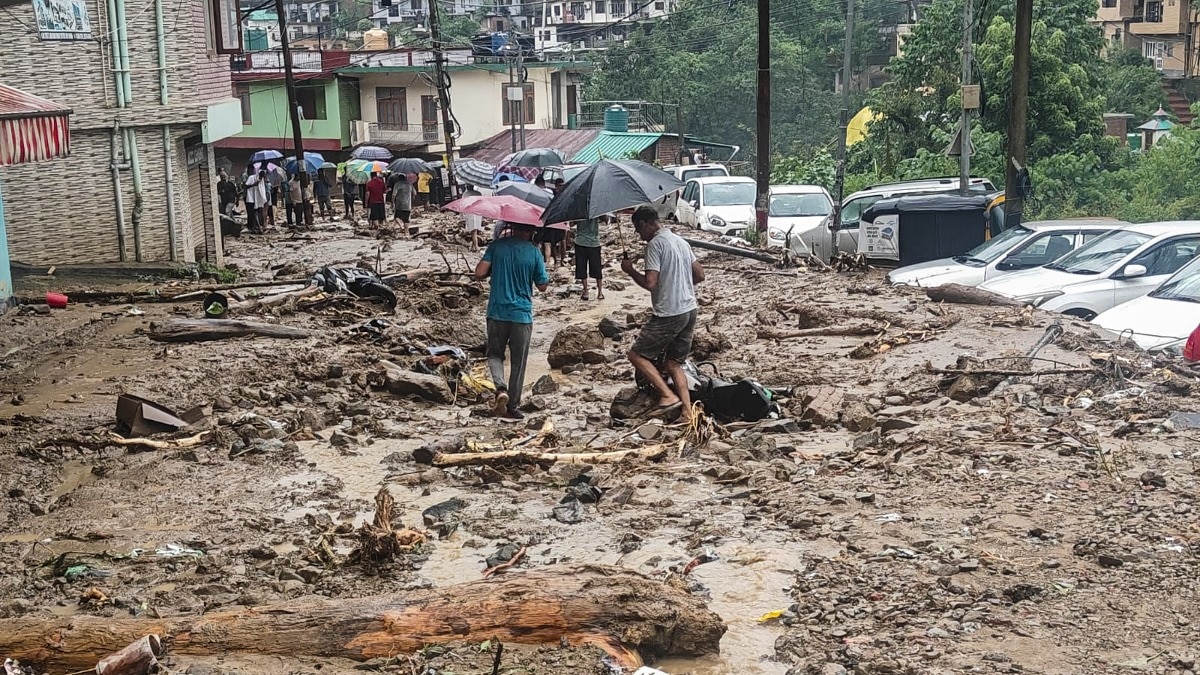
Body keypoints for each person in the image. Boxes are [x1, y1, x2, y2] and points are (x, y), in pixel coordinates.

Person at [621, 206, 705, 421]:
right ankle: (687, 412)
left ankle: (668, 395)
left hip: (669, 312)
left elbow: (650, 283)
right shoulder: (680, 241)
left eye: (638, 231)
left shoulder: (655, 245)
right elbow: (699, 275)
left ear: (643, 224)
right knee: (673, 363)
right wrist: (678, 283)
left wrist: (630, 271)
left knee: (636, 355)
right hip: (689, 308)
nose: (639, 236)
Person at [474, 223, 550, 421]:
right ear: (531, 231)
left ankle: (500, 388)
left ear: (512, 227)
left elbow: (479, 273)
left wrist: (495, 269)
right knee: (519, 362)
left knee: (495, 355)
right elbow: (542, 286)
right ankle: (512, 407)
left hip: (497, 311)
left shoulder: (497, 246)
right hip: (521, 315)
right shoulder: (534, 252)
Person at [574, 215, 605, 301]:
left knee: (581, 267)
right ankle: (600, 292)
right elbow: (605, 220)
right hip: (594, 243)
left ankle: (586, 291)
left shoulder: (578, 209)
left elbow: (571, 223)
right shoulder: (596, 208)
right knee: (597, 268)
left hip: (580, 242)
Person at [244, 163, 269, 234]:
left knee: (257, 213)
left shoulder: (261, 181)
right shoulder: (252, 178)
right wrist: (254, 184)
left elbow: (262, 190)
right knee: (252, 214)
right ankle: (253, 228)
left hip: (257, 200)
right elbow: (246, 186)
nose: (261, 178)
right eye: (261, 177)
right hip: (251, 198)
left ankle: (256, 227)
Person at [461, 183, 484, 251]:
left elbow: (463, 205)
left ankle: (476, 247)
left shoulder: (465, 194)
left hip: (470, 214)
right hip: (477, 213)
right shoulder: (478, 193)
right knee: (474, 230)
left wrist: (462, 215)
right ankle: (473, 247)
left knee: (473, 231)